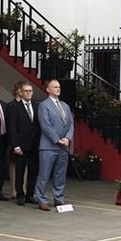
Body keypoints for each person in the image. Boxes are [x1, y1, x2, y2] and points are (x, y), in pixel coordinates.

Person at [36, 78, 74, 211]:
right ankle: (42, 200)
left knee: (60, 175)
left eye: (59, 87)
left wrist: (68, 138)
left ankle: (59, 199)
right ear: (48, 90)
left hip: (63, 146)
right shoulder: (44, 105)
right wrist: (57, 139)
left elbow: (70, 124)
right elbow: (45, 126)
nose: (58, 89)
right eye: (55, 87)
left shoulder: (65, 106)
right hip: (48, 146)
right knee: (44, 175)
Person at [6, 81, 40, 206]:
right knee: (20, 171)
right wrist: (15, 145)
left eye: (30, 91)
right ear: (21, 92)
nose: (28, 93)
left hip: (35, 144)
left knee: (33, 170)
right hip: (21, 145)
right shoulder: (15, 107)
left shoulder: (37, 106)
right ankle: (20, 194)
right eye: (26, 91)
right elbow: (12, 128)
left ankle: (30, 194)